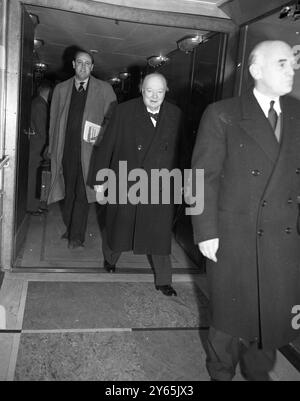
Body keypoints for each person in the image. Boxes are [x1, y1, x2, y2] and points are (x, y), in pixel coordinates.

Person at [191, 40, 300, 381]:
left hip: (283, 240)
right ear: (255, 70)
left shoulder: (298, 113)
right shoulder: (222, 112)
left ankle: (258, 373)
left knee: (270, 316)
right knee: (227, 319)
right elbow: (200, 177)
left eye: (292, 63)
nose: (292, 69)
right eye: (282, 62)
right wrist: (205, 231)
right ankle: (220, 372)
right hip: (233, 237)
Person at [91, 73, 182, 296]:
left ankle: (164, 280)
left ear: (166, 91)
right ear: (142, 89)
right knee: (118, 227)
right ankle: (110, 259)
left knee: (160, 235)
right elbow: (107, 147)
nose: (154, 96)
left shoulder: (175, 114)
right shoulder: (123, 111)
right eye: (149, 90)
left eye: (159, 91)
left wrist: (184, 183)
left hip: (160, 186)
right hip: (126, 182)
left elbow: (182, 152)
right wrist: (100, 182)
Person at [47, 50, 117, 248]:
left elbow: (113, 121)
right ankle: (71, 228)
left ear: (92, 67)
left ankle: (76, 236)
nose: (84, 66)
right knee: (67, 192)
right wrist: (52, 148)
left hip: (90, 153)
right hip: (65, 150)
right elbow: (53, 120)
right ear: (73, 64)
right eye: (80, 62)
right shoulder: (61, 89)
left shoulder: (104, 89)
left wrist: (101, 138)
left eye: (88, 63)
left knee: (83, 192)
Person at [27, 81, 52, 215]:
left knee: (37, 177)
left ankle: (36, 204)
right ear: (47, 91)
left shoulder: (39, 103)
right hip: (38, 147)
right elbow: (42, 128)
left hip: (37, 146)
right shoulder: (40, 105)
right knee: (34, 177)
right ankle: (31, 206)